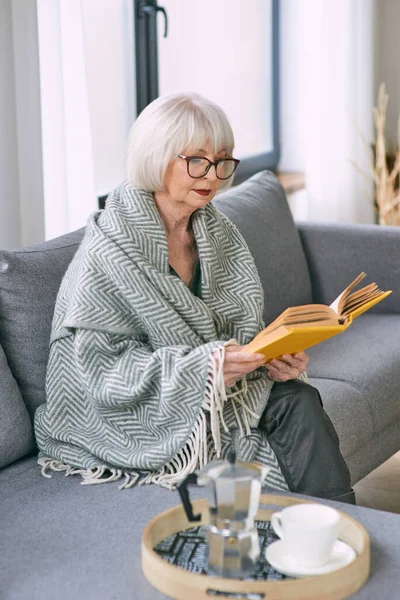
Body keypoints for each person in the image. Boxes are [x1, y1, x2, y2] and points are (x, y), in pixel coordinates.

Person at [34, 92, 354, 503]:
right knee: (293, 421)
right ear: (156, 156)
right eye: (197, 161)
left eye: (222, 160)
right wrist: (203, 369)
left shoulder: (220, 234)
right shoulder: (108, 252)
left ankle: (336, 531)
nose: (213, 175)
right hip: (147, 417)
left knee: (298, 396)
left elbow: (243, 333)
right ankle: (336, 533)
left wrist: (272, 360)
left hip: (223, 393)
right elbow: (98, 371)